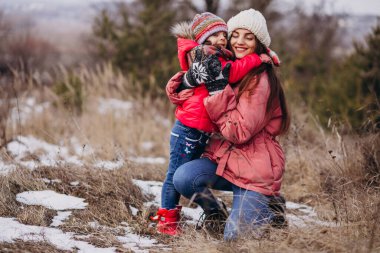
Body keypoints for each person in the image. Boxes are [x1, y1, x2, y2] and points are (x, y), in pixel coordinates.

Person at [167, 8, 290, 240]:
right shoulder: (227, 66)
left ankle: (272, 208)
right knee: (183, 177)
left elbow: (239, 132)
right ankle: (215, 213)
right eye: (235, 35)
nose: (240, 41)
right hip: (226, 159)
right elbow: (188, 98)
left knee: (233, 238)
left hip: (255, 169)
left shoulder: (260, 80)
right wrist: (187, 80)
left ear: (259, 43)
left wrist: (217, 90)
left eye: (249, 37)